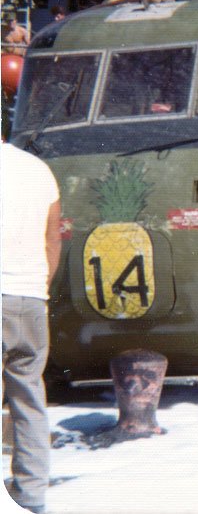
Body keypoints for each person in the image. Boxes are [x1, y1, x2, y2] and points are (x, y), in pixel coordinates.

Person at [2, 116, 62, 514]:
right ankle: (32, 491)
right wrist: (39, 284)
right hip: (30, 297)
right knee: (29, 396)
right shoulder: (38, 169)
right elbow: (52, 237)